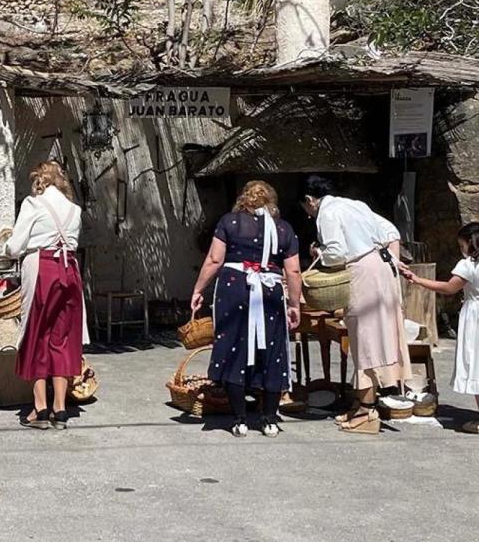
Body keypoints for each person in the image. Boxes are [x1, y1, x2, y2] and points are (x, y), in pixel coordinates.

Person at [301, 175, 411, 435]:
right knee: (371, 337)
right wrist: (391, 260)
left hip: (363, 272)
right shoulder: (356, 205)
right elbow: (390, 232)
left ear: (309, 200)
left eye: (305, 208)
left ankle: (367, 410)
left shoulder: (327, 213)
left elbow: (336, 252)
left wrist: (318, 253)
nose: (307, 214)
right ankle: (359, 404)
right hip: (382, 267)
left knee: (365, 340)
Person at [192, 181, 302, 438]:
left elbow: (215, 259)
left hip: (234, 289)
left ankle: (240, 419)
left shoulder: (229, 222)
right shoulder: (283, 229)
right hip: (270, 291)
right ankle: (269, 419)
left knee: (235, 348)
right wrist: (295, 304)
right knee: (273, 350)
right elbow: (294, 271)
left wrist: (198, 290)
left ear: (243, 199)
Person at [4, 160, 89, 430]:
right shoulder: (74, 210)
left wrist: (7, 245)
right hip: (70, 270)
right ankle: (60, 408)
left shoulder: (33, 204)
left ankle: (40, 408)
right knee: (62, 338)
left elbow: (15, 247)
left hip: (42, 269)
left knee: (36, 334)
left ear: (39, 180)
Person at [401, 223, 479, 432]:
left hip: (475, 316)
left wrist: (417, 280)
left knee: (476, 362)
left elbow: (449, 288)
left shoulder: (468, 265)